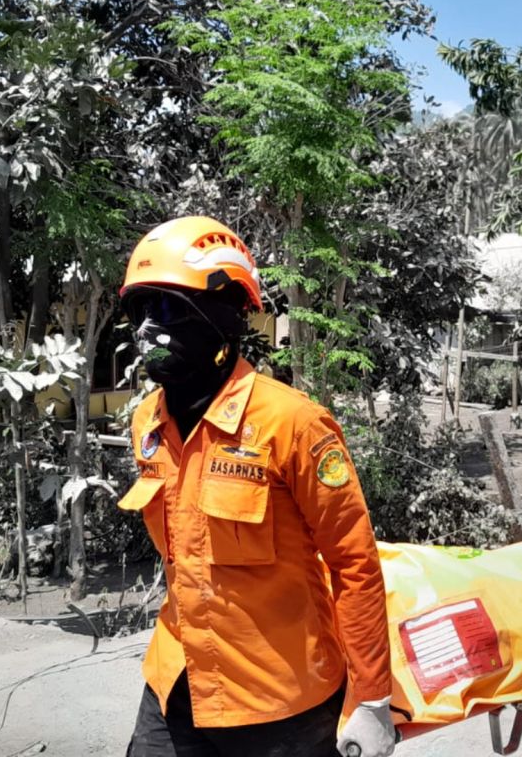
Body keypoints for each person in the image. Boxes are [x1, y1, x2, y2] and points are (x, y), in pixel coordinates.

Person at [117, 216, 395, 757]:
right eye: (141, 310)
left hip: (281, 704)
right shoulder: (147, 423)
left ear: (223, 316)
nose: (150, 327)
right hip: (177, 678)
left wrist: (373, 698)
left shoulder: (292, 424)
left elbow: (355, 565)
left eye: (169, 307)